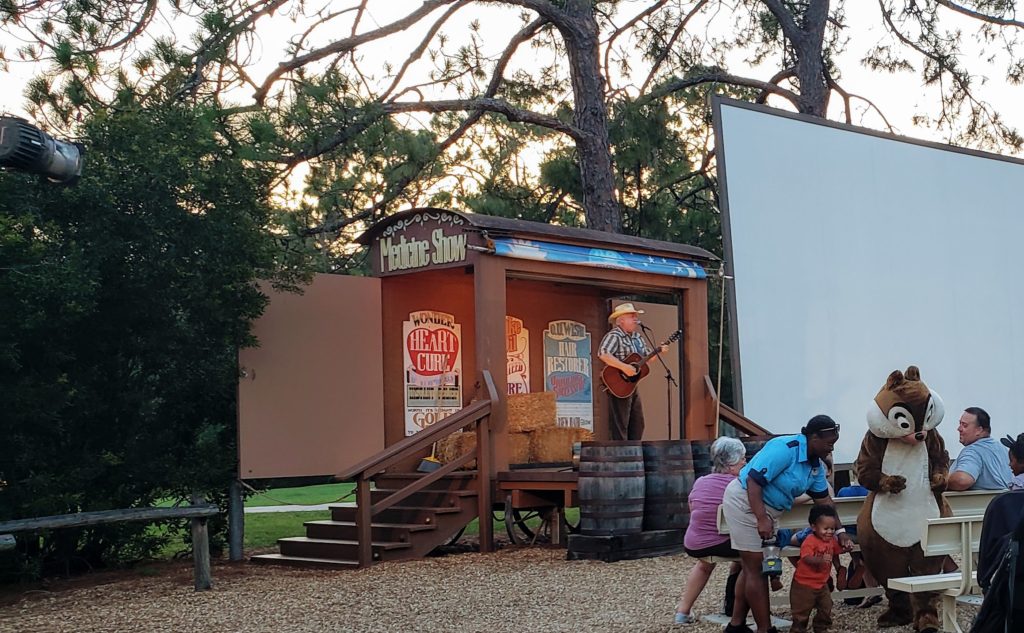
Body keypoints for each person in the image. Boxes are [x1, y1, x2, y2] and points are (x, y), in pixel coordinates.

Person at [720, 415, 854, 633]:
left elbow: (825, 502)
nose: (831, 448)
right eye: (828, 443)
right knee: (756, 568)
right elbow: (754, 481)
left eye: (834, 443)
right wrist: (761, 518)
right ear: (813, 437)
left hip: (770, 510)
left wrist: (840, 531)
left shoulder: (816, 467)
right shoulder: (785, 448)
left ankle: (736, 625)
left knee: (750, 566)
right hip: (745, 502)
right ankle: (765, 629)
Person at [674, 437, 747, 625]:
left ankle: (682, 612)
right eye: (742, 459)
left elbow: (692, 509)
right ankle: (735, 610)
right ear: (731, 464)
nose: (745, 462)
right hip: (722, 543)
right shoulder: (739, 486)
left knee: (704, 565)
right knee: (749, 555)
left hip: (694, 543)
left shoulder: (701, 482)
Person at [597, 303, 665, 440]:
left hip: (632, 386)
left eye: (636, 316)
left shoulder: (637, 338)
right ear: (621, 320)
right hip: (618, 384)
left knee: (637, 422)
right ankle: (622, 454)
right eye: (631, 316)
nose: (635, 319)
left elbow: (647, 357)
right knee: (620, 423)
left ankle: (634, 451)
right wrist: (624, 367)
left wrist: (659, 352)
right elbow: (603, 354)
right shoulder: (614, 336)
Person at [789, 505, 842, 633]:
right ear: (813, 527)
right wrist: (820, 560)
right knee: (801, 611)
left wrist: (846, 547)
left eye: (832, 529)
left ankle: (821, 627)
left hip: (822, 583)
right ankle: (798, 629)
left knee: (826, 606)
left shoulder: (831, 541)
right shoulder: (810, 541)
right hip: (804, 584)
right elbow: (806, 557)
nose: (829, 531)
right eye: (826, 528)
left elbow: (837, 549)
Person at [946, 407, 1012, 491]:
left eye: (964, 425)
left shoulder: (973, 451)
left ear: (979, 430)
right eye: (960, 424)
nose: (959, 429)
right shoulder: (1002, 449)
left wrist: (941, 479)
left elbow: (962, 481)